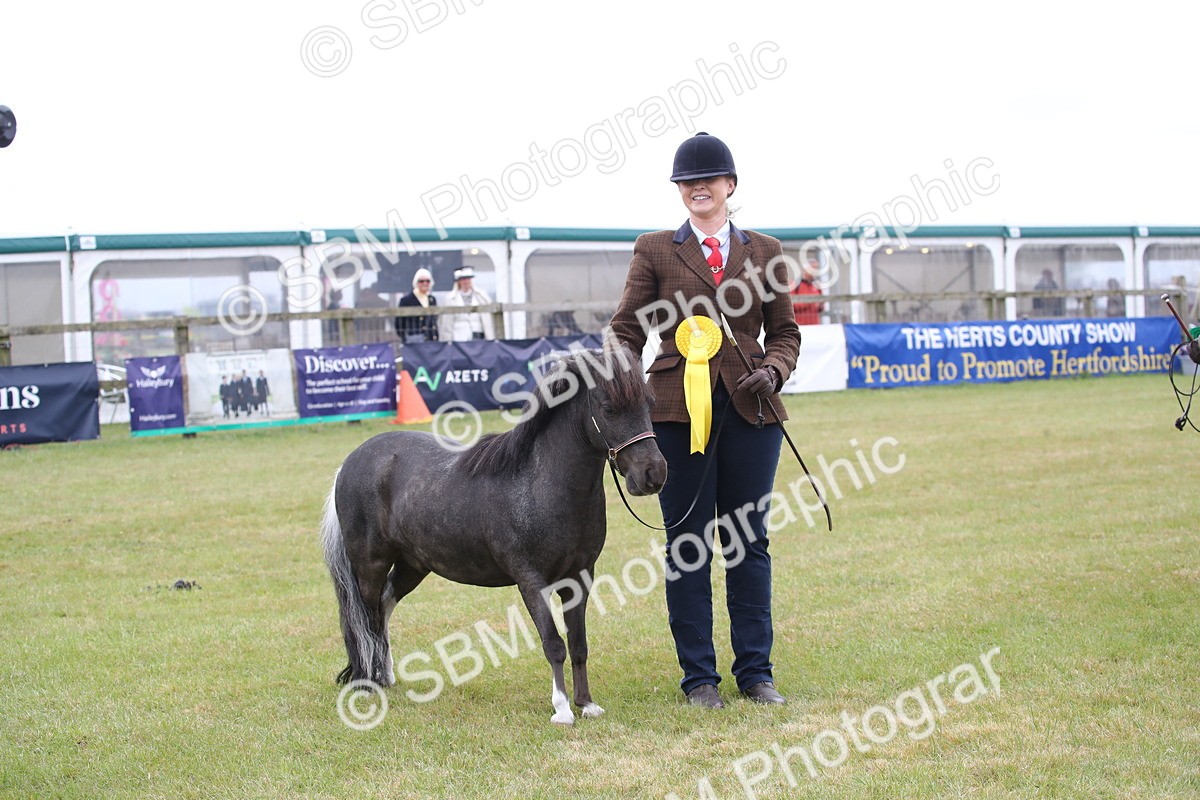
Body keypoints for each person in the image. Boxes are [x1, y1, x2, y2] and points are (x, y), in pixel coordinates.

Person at [610, 132, 800, 709]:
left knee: (749, 543)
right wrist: (635, 389)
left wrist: (773, 369)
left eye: (708, 180)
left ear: (729, 186)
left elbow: (786, 332)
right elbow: (625, 331)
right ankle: (698, 679)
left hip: (751, 413)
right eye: (687, 181)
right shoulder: (654, 250)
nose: (697, 188)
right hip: (673, 414)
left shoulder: (766, 251)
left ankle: (756, 673)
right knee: (687, 544)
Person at [439, 267, 495, 341]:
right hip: (459, 337)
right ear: (458, 281)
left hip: (478, 334)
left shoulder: (481, 296)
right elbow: (446, 323)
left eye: (468, 278)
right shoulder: (450, 299)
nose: (466, 281)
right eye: (463, 279)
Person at [394, 268, 439, 343]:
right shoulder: (406, 300)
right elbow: (399, 323)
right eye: (421, 281)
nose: (425, 283)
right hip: (413, 340)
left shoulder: (432, 299)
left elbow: (434, 320)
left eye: (427, 281)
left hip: (431, 340)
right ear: (416, 282)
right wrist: (405, 338)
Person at [790, 258, 825, 325]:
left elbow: (821, 306)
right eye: (813, 269)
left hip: (814, 324)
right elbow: (791, 305)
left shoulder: (817, 286)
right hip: (800, 325)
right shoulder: (795, 285)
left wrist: (820, 305)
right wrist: (812, 301)